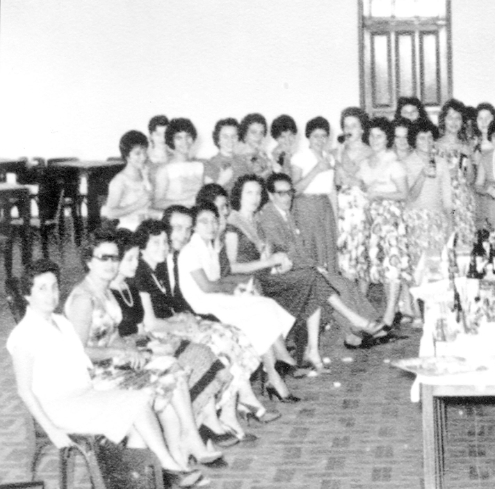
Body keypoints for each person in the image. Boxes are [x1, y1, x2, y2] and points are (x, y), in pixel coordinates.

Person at [8, 258, 205, 487]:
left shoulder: (61, 322)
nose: (51, 294)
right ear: (27, 295)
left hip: (84, 394)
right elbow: (24, 391)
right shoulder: (24, 335)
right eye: (41, 289)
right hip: (57, 407)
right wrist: (52, 431)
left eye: (54, 287)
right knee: (136, 408)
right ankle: (165, 467)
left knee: (139, 406)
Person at [65, 229, 223, 483]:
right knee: (157, 388)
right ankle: (168, 463)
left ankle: (184, 445)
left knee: (172, 367)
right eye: (103, 258)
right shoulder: (83, 299)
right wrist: (119, 352)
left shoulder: (103, 291)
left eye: (114, 258)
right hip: (94, 377)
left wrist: (131, 350)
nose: (111, 264)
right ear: (88, 261)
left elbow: (113, 332)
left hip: (114, 365)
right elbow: (75, 354)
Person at [139, 214, 277, 429]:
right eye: (157, 242)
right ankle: (227, 412)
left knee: (234, 335)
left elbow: (171, 302)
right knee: (221, 344)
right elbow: (152, 320)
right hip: (164, 332)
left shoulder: (162, 265)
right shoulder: (146, 270)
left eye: (164, 241)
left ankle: (235, 408)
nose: (165, 246)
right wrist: (183, 322)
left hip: (178, 321)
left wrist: (184, 316)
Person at [243, 173, 388, 351]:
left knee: (344, 284)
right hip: (283, 272)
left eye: (290, 192)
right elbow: (284, 251)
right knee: (334, 286)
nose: (287, 197)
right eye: (281, 193)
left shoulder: (285, 212)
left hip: (299, 267)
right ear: (271, 194)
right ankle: (359, 329)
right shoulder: (269, 217)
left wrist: (315, 265)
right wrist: (311, 267)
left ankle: (362, 328)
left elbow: (299, 248)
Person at [178, 201, 299, 403]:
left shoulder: (209, 247)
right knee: (261, 309)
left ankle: (275, 375)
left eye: (213, 221)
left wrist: (236, 290)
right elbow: (207, 287)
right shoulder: (190, 251)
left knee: (264, 307)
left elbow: (216, 281)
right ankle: (282, 361)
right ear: (194, 227)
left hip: (217, 298)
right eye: (203, 222)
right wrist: (233, 290)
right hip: (205, 305)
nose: (211, 226)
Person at [355, 117, 411, 327]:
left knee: (393, 265)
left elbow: (404, 193)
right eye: (371, 135)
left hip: (390, 218)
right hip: (372, 219)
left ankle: (388, 317)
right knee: (378, 265)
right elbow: (361, 187)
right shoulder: (365, 163)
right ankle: (389, 310)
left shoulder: (394, 162)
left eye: (379, 135)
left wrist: (378, 193)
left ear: (387, 138)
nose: (375, 139)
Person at [290, 116, 342, 269]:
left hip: (324, 207)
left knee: (327, 250)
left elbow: (332, 191)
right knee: (310, 249)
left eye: (324, 136)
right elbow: (294, 190)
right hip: (305, 206)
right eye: (316, 136)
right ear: (308, 137)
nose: (320, 140)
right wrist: (316, 170)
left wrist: (336, 218)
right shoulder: (300, 157)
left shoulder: (330, 158)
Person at [404, 119, 453, 275]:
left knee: (435, 267)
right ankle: (410, 300)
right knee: (415, 267)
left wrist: (450, 224)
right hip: (414, 219)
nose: (427, 142)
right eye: (422, 138)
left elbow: (447, 196)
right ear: (414, 140)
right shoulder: (406, 162)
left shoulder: (441, 162)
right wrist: (422, 174)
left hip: (436, 220)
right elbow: (409, 197)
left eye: (430, 137)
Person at [335, 106, 374, 280]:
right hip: (341, 209)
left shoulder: (370, 152)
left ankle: (361, 301)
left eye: (354, 125)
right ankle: (349, 300)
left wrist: (341, 169)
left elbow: (364, 183)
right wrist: (338, 155)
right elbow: (337, 181)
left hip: (360, 208)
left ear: (362, 129)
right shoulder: (338, 152)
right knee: (343, 255)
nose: (349, 130)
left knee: (360, 255)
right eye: (346, 126)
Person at [435, 99, 477, 244]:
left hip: (462, 201)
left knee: (464, 242)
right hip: (442, 198)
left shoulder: (466, 146)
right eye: (450, 117)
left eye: (458, 118)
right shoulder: (434, 146)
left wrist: (469, 158)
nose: (454, 122)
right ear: (443, 120)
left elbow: (470, 180)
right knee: (445, 240)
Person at [102, 130, 158, 231]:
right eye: (138, 153)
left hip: (147, 227)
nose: (143, 157)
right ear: (127, 156)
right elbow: (110, 213)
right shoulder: (120, 181)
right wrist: (138, 204)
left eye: (145, 152)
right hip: (129, 230)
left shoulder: (146, 174)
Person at [152, 118, 205, 209]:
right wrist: (186, 202)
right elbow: (157, 203)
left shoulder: (200, 166)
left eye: (188, 136)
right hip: (176, 216)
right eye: (179, 138)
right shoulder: (165, 170)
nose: (184, 142)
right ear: (171, 140)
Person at [203, 118, 248, 190]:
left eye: (233, 136)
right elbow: (209, 197)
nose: (230, 140)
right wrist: (221, 181)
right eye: (225, 137)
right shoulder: (210, 164)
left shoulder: (243, 161)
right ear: (218, 140)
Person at [235, 113, 275, 180]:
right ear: (245, 133)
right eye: (253, 132)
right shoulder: (239, 158)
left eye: (261, 132)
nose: (258, 137)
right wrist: (269, 169)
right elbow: (246, 185)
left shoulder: (262, 154)